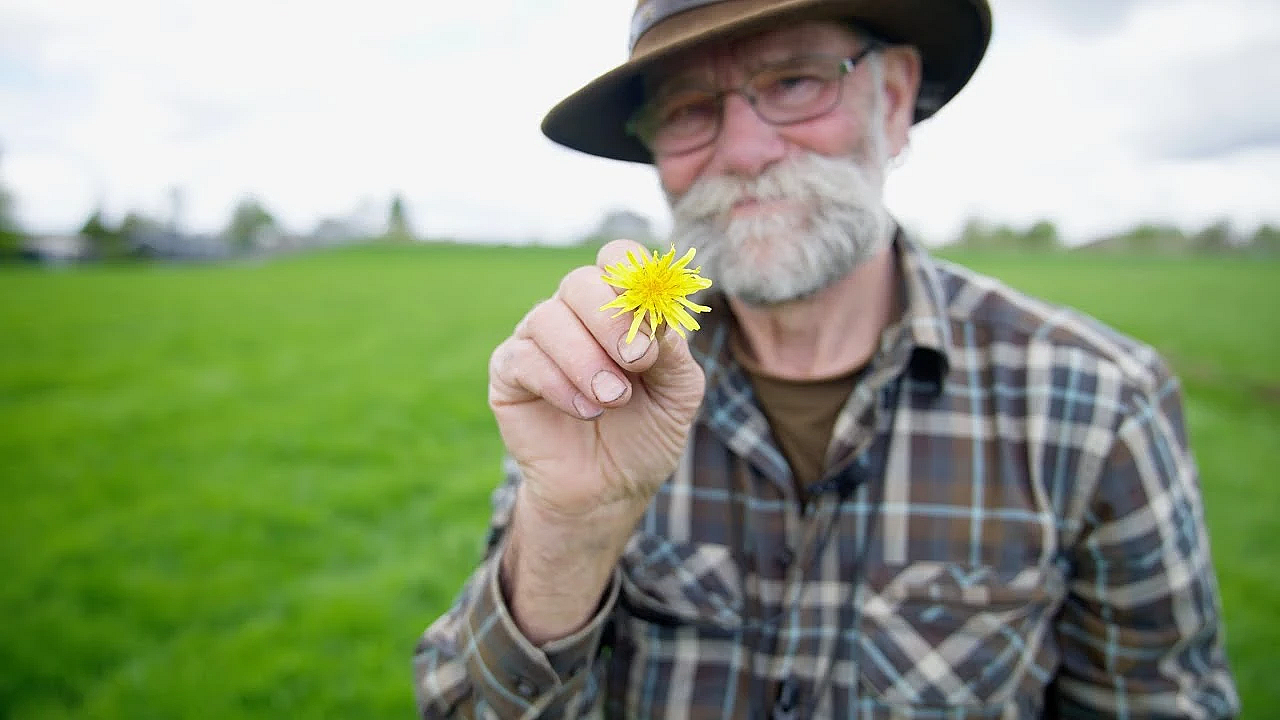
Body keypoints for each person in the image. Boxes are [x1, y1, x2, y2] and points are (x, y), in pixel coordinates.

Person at [413, 0, 1240, 717]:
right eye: (686, 108)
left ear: (894, 97)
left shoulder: (1098, 407)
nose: (744, 149)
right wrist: (570, 534)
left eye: (795, 82)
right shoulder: (598, 384)